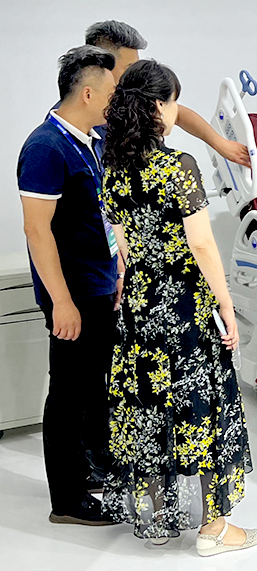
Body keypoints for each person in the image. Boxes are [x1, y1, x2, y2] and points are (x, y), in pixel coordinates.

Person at [101, 60, 257, 554]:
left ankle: (158, 514)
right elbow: (202, 245)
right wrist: (227, 304)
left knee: (147, 406)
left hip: (140, 305)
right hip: (185, 306)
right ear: (157, 106)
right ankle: (214, 529)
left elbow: (123, 245)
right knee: (201, 404)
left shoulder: (114, 166)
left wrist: (133, 290)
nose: (176, 111)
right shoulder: (178, 167)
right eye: (173, 102)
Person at [17, 46, 121, 525]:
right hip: (72, 294)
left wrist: (117, 271)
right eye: (111, 92)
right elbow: (37, 231)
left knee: (92, 388)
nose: (116, 101)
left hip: (98, 285)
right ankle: (67, 499)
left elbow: (98, 214)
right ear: (87, 94)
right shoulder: (46, 148)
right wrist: (61, 301)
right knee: (68, 394)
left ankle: (90, 470)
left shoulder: (90, 140)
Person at [84, 20, 250, 167]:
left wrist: (221, 144)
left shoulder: (128, 98)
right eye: (129, 69)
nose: (135, 74)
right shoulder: (84, 115)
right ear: (102, 66)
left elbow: (178, 114)